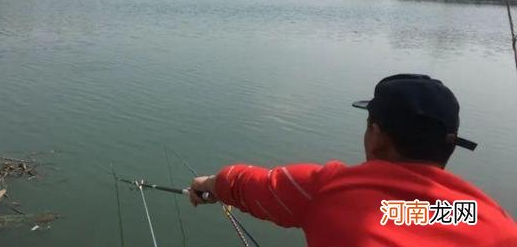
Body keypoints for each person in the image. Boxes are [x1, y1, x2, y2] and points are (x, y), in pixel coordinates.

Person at [189, 74, 517, 246]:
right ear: (448, 147)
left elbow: (246, 184)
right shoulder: (491, 219)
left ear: (376, 136)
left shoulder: (330, 191)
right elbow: (408, 216)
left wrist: (209, 185)